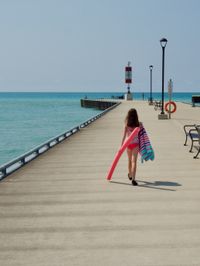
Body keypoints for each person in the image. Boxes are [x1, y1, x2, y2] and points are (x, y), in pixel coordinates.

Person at [121, 108, 141, 186]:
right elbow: (142, 135)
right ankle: (133, 179)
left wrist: (121, 146)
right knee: (134, 162)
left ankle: (130, 174)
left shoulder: (126, 124)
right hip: (135, 144)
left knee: (129, 160)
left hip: (127, 144)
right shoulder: (139, 124)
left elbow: (123, 136)